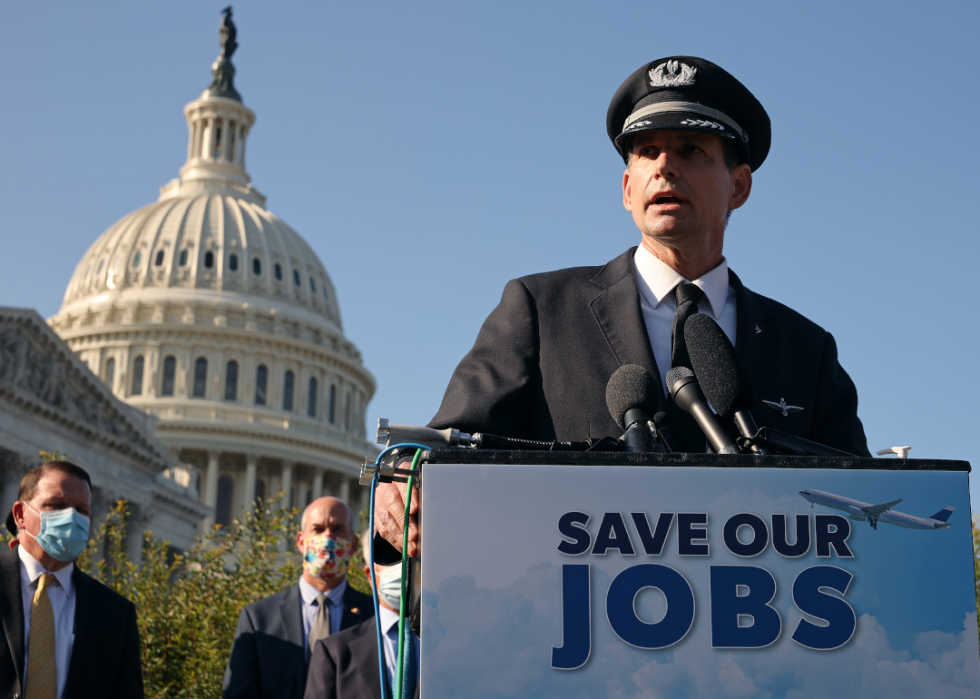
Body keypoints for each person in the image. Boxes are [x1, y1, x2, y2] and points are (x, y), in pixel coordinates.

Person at [374, 56, 871, 557]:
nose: (664, 167)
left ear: (738, 186)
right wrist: (402, 491)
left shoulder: (805, 350)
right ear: (627, 189)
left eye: (690, 150)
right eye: (647, 152)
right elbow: (441, 455)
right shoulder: (541, 311)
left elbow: (861, 509)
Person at [0, 460, 144, 699]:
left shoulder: (116, 612)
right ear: (20, 514)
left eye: (82, 510)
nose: (71, 518)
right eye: (57, 505)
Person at [223, 497, 374, 699]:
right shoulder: (259, 619)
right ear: (301, 542)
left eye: (338, 530)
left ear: (353, 545)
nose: (328, 538)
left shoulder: (374, 616)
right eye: (318, 530)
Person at [304, 536, 419, 699]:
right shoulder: (334, 652)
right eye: (389, 554)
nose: (402, 566)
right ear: (370, 575)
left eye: (412, 553)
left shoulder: (457, 645)